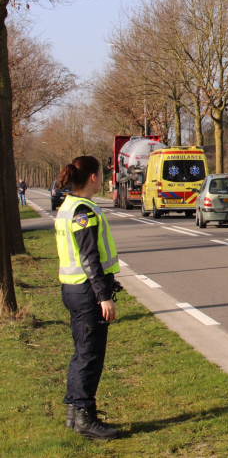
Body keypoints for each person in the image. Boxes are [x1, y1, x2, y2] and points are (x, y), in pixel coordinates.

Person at [55, 156, 122, 441]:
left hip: (73, 289)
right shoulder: (83, 211)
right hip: (87, 292)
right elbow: (89, 257)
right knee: (90, 356)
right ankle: (85, 416)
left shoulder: (68, 207)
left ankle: (74, 411)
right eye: (101, 173)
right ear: (94, 177)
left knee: (81, 353)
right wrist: (104, 296)